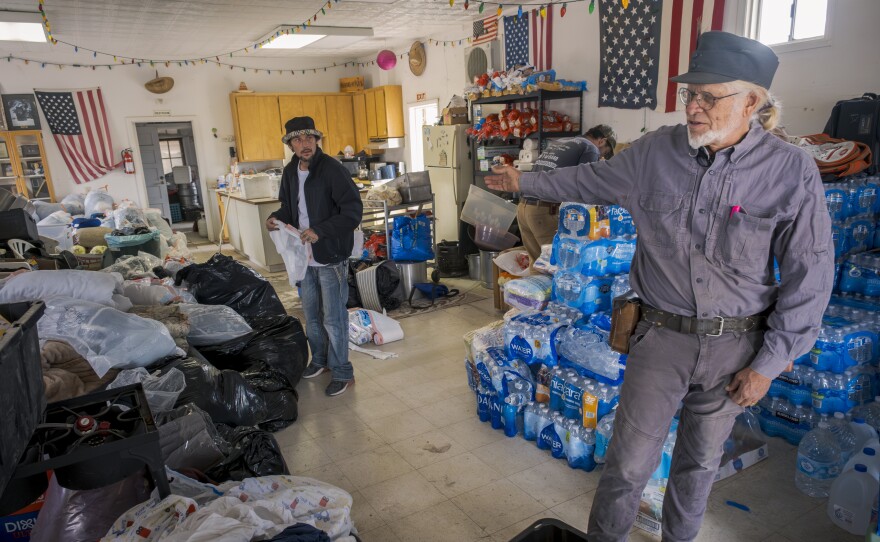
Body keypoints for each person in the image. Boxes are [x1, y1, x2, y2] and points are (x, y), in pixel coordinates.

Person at [487, 31, 833, 541]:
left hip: (737, 348)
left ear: (752, 102)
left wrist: (769, 364)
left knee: (697, 472)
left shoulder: (791, 171)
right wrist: (525, 183)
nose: (693, 107)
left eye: (708, 97)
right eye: (689, 94)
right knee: (627, 467)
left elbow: (810, 275)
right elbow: (589, 179)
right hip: (661, 340)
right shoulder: (656, 152)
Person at [266, 116, 363, 397]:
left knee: (334, 318)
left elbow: (352, 212)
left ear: (317, 140)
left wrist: (321, 230)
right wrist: (275, 218)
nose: (304, 144)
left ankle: (343, 371)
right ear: (290, 144)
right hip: (303, 255)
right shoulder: (289, 172)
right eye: (297, 139)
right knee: (311, 315)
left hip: (330, 253)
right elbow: (290, 209)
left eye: (309, 138)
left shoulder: (333, 169)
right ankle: (320, 360)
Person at [517, 125, 617, 260]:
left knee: (537, 265)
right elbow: (586, 187)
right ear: (601, 141)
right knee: (558, 264)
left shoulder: (563, 141)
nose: (601, 156)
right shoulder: (590, 148)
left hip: (524, 208)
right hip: (545, 212)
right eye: (604, 152)